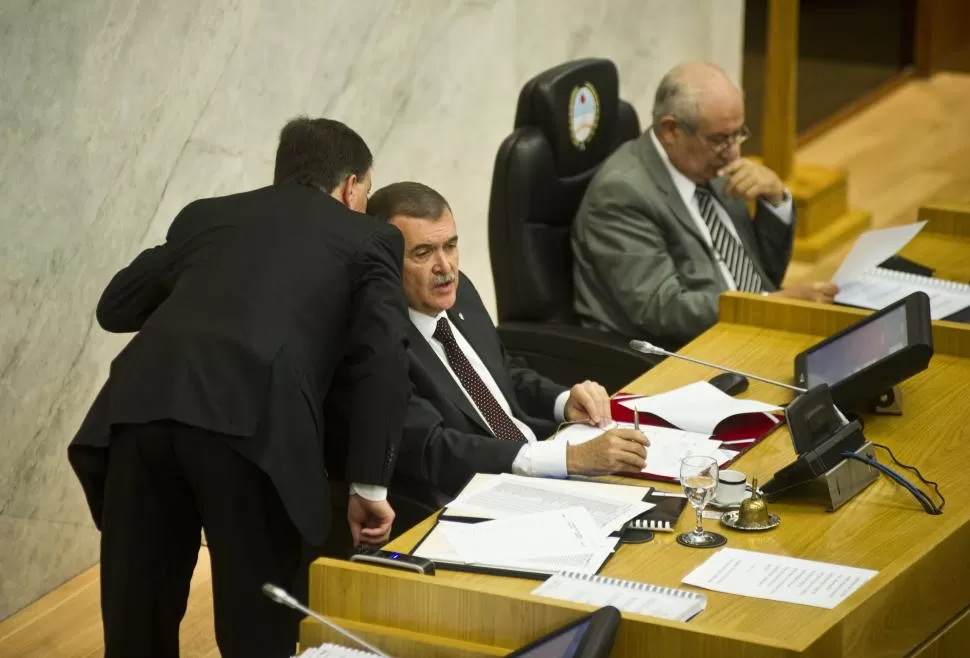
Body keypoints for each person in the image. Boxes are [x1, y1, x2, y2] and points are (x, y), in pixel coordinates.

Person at [67, 118, 410, 658]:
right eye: (367, 191)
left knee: (137, 622)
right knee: (258, 627)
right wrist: (369, 487)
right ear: (351, 188)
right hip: (256, 426)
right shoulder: (369, 236)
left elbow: (117, 306)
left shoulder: (209, 216)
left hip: (139, 408)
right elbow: (384, 358)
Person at [366, 182, 649, 510]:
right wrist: (568, 458)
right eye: (423, 253)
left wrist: (563, 401)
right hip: (485, 497)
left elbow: (504, 371)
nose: (445, 267)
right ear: (385, 262)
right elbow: (436, 448)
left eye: (451, 246)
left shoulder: (461, 293)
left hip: (543, 466)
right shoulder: (382, 343)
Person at [572, 61, 838, 347]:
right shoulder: (621, 193)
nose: (734, 152)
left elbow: (764, 275)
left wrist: (776, 200)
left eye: (739, 134)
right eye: (721, 139)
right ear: (672, 130)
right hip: (689, 351)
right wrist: (764, 305)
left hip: (751, 329)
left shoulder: (709, 165)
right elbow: (662, 309)